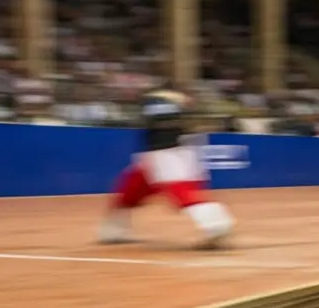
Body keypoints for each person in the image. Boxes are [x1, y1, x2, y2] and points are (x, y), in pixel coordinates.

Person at [97, 87, 235, 249]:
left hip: (170, 153)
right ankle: (113, 232)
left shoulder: (160, 103)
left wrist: (168, 100)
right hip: (153, 156)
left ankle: (217, 225)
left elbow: (164, 116)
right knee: (129, 191)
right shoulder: (160, 105)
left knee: (182, 191)